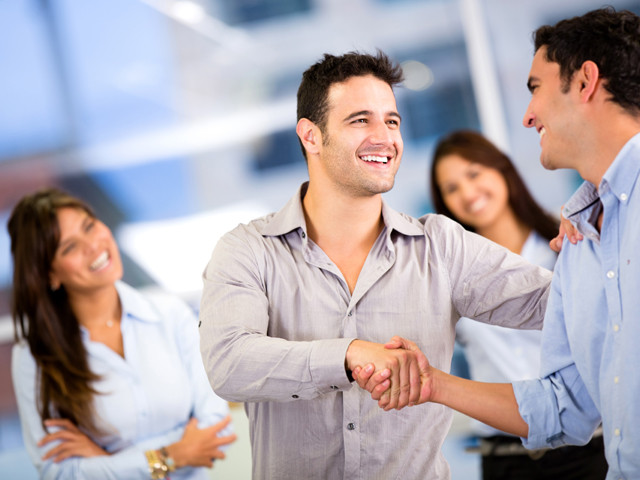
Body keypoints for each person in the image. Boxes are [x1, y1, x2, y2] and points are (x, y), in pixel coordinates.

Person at [198, 51, 552, 480]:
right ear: (311, 136)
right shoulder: (248, 251)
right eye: (360, 120)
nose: (384, 137)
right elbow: (230, 363)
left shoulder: (440, 246)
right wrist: (347, 355)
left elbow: (555, 305)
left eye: (392, 121)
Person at [354, 7, 640, 479]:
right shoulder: (580, 243)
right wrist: (432, 384)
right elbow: (564, 405)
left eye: (536, 89)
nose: (528, 116)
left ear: (586, 81)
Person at [8, 188, 237, 479]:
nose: (93, 246)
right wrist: (172, 454)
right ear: (49, 275)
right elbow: (59, 471)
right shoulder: (34, 356)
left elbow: (218, 430)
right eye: (70, 247)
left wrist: (105, 461)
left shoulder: (171, 316)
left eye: (89, 226)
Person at [430, 130, 607, 479]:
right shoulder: (448, 277)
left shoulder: (566, 249)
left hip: (587, 452)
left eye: (473, 173)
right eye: (451, 188)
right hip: (504, 459)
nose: (467, 193)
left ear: (502, 170)